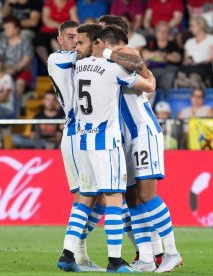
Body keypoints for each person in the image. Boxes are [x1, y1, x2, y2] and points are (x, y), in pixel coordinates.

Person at [69, 23, 156, 273]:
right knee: (115, 201)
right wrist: (113, 56)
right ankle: (116, 261)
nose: (78, 47)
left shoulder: (77, 66)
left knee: (86, 200)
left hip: (82, 139)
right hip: (107, 141)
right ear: (101, 43)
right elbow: (148, 85)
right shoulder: (111, 68)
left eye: (80, 43)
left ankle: (69, 252)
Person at [97, 20, 182, 272]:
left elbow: (140, 67)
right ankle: (146, 256)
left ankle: (172, 252)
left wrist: (107, 53)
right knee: (132, 200)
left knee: (147, 195)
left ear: (110, 37)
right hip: (124, 137)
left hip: (142, 132)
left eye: (102, 31)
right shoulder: (107, 61)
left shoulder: (126, 52)